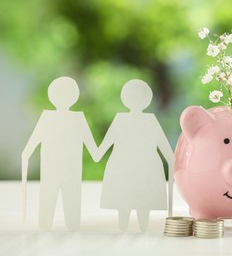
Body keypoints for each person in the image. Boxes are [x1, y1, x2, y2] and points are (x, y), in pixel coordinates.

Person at [22, 77, 99, 230]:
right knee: (65, 209)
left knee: (51, 206)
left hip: (57, 170)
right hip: (68, 171)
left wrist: (25, 156)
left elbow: (28, 149)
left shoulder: (48, 118)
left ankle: (53, 225)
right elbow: (95, 152)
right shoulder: (77, 118)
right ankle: (62, 225)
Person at [97, 79, 174, 231]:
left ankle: (132, 230)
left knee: (132, 202)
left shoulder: (122, 120)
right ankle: (137, 229)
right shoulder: (149, 120)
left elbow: (101, 149)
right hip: (138, 168)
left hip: (133, 168)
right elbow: (168, 153)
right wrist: (172, 161)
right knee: (136, 202)